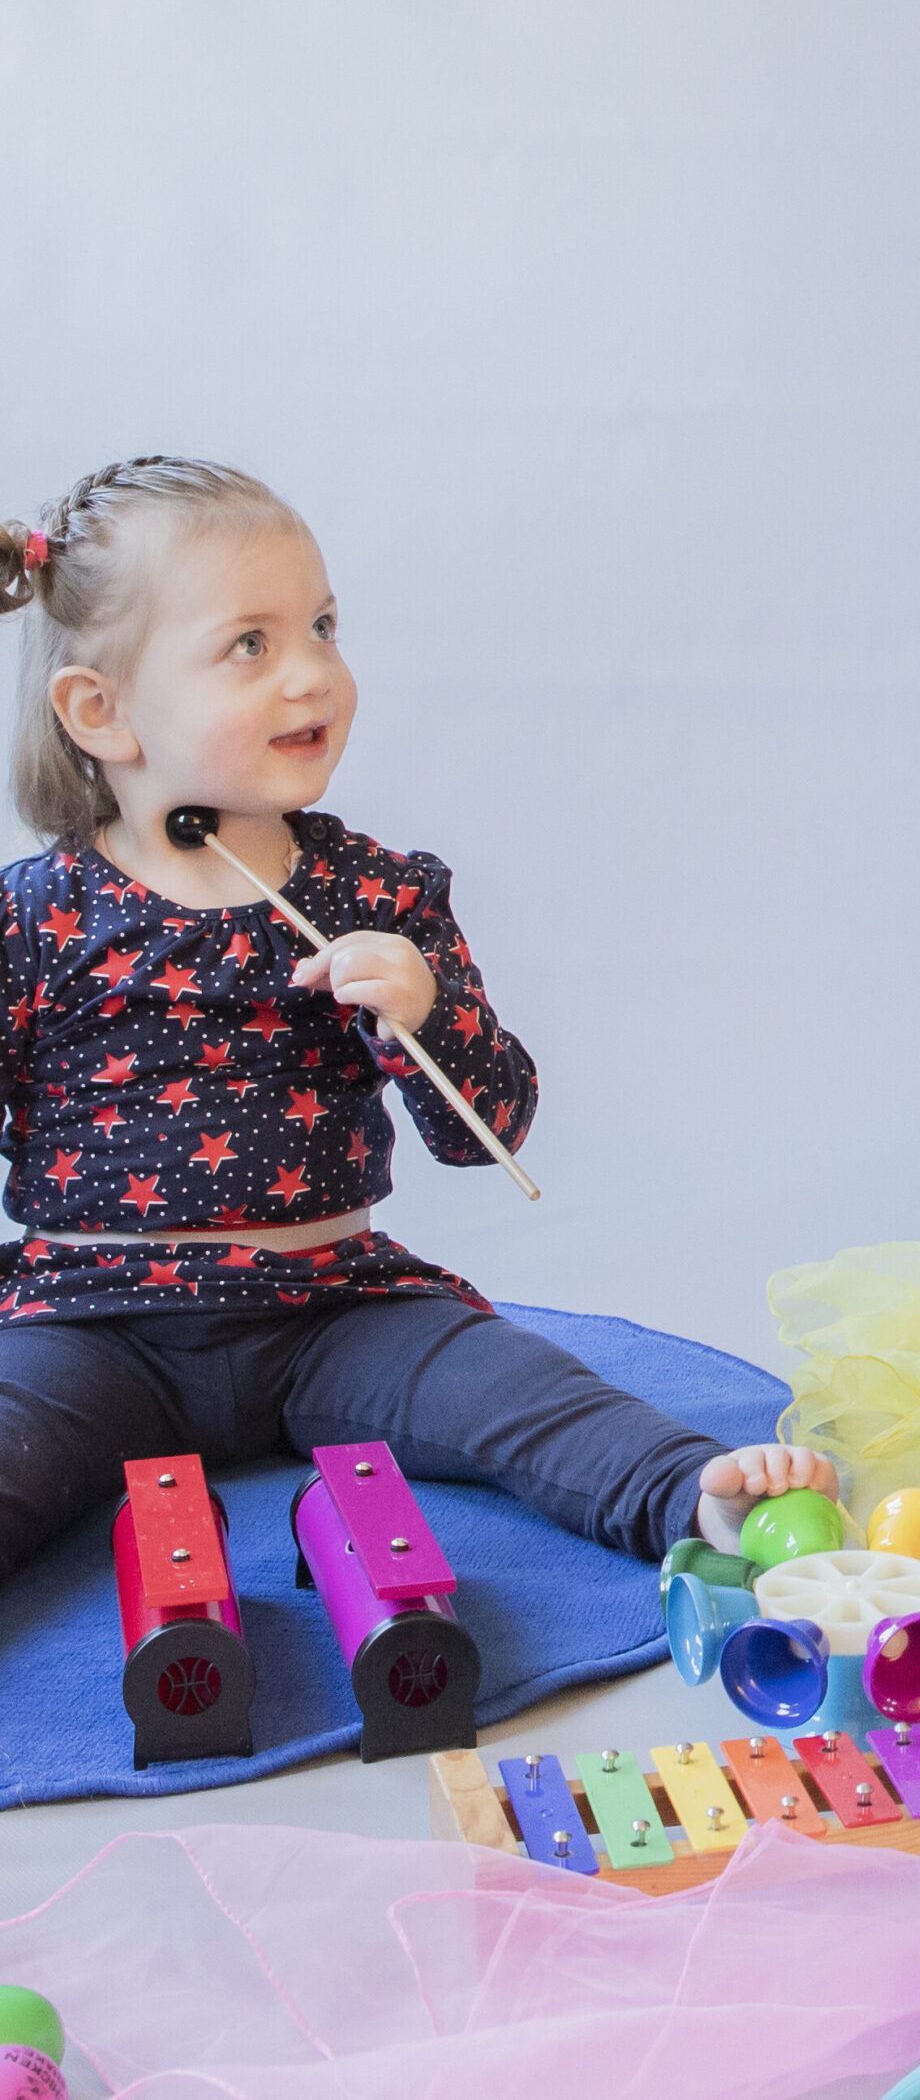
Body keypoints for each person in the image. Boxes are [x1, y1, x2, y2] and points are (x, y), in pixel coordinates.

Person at [0, 455, 832, 1579]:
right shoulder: (37, 917)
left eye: (324, 626)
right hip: (91, 1327)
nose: (313, 675)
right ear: (101, 711)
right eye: (251, 644)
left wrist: (426, 1014)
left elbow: (491, 1126)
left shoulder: (378, 893)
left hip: (332, 1313)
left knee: (516, 1387)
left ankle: (686, 1492)